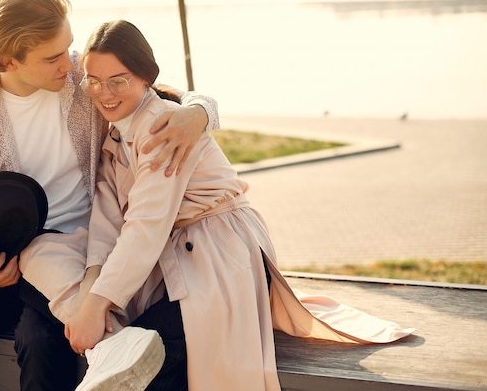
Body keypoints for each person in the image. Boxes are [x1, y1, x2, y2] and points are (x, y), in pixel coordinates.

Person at [51, 19, 415, 391]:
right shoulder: (116, 131)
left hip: (221, 251)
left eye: (118, 80)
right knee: (138, 354)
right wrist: (88, 298)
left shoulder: (164, 127)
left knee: (150, 358)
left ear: (146, 77)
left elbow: (145, 226)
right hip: (177, 254)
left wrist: (96, 307)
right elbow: (107, 225)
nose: (103, 92)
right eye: (93, 81)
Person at [0, 0, 220, 391]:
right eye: (53, 57)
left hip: (80, 247)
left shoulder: (84, 78)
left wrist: (199, 113)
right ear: (9, 60)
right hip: (2, 258)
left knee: (42, 343)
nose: (69, 63)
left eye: (68, 48)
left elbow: (164, 91)